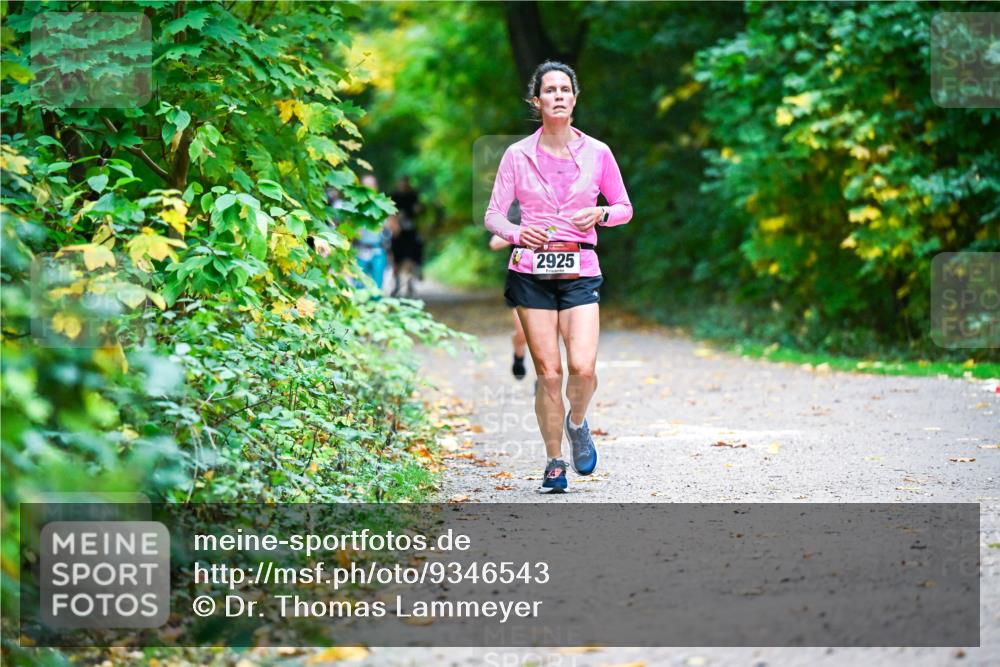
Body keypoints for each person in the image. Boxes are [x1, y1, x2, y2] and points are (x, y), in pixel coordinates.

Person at [484, 60, 632, 493]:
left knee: (582, 369)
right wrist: (515, 231)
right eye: (549, 90)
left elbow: (624, 207)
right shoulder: (517, 155)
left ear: (575, 97)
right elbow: (494, 214)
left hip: (580, 266)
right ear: (537, 101)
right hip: (530, 270)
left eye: (565, 89)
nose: (558, 95)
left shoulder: (598, 153)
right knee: (549, 374)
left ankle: (578, 423)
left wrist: (602, 212)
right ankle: (553, 463)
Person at [389, 176, 424, 297]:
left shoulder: (413, 196)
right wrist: (396, 219)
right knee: (396, 259)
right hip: (397, 232)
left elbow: (419, 211)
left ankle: (410, 283)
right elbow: (390, 213)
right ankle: (397, 283)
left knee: (410, 257)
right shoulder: (394, 196)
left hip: (410, 232)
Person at [354, 174, 390, 291]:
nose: (369, 189)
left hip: (378, 250)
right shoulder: (355, 206)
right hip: (359, 250)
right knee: (358, 286)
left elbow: (394, 229)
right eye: (366, 186)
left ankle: (376, 307)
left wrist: (388, 225)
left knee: (377, 287)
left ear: (376, 187)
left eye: (371, 186)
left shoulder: (384, 206)